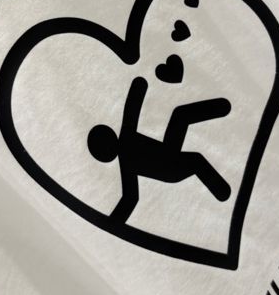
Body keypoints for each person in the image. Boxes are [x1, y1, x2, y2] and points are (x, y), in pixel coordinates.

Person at [87, 76, 232, 223]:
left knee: (182, 120)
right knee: (193, 150)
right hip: (170, 166)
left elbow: (132, 107)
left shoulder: (125, 149)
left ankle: (223, 107)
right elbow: (130, 198)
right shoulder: (126, 149)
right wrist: (114, 221)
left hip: (169, 154)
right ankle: (223, 192)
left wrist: (114, 221)